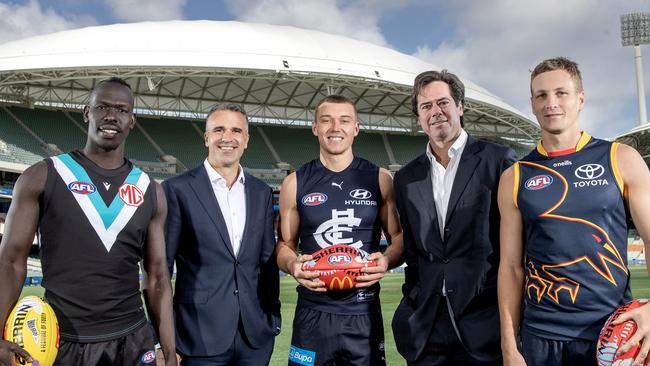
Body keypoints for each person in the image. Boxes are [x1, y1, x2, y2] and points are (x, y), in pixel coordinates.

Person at [0, 77, 177, 365]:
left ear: (132, 120)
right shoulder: (43, 176)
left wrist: (169, 351)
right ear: (87, 112)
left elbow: (157, 277)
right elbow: (10, 261)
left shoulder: (149, 189)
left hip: (132, 339)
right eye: (102, 107)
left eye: (121, 110)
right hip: (64, 340)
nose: (111, 116)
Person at [498, 57, 650, 366]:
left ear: (580, 99)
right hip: (541, 335)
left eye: (561, 93)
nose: (550, 102)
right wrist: (509, 346)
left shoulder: (621, 158)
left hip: (610, 330)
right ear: (532, 103)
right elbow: (511, 267)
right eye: (541, 95)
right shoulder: (515, 175)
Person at [392, 70, 517, 365]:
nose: (435, 112)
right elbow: (414, 253)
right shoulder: (406, 177)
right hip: (426, 328)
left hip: (485, 325)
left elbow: (515, 249)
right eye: (426, 107)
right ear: (419, 118)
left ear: (460, 107)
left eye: (443, 102)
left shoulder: (498, 160)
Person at [276, 94, 403, 366]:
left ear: (356, 128)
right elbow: (285, 245)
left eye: (344, 120)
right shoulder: (294, 183)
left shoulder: (380, 179)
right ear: (315, 127)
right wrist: (293, 265)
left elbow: (399, 239)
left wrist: (387, 260)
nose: (335, 128)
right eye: (326, 120)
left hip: (363, 313)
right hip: (313, 313)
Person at [163, 103, 280, 365]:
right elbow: (160, 270)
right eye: (218, 129)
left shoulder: (261, 192)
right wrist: (163, 339)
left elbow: (267, 263)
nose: (227, 137)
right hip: (197, 337)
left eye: (236, 130)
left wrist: (273, 319)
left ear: (246, 140)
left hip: (255, 338)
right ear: (206, 138)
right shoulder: (176, 189)